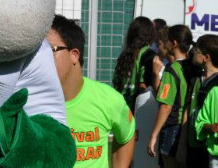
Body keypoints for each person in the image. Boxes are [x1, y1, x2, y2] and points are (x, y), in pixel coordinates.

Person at [48, 15, 135, 168]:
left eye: (49, 50)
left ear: (74, 55)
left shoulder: (108, 99)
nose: (40, 59)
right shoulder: (27, 102)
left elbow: (127, 134)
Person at [148, 25, 195, 167]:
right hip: (187, 125)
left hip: (172, 126)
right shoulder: (192, 66)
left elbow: (166, 105)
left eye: (166, 41)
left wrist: (154, 134)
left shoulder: (171, 70)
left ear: (174, 44)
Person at [182, 34, 218, 168]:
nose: (192, 52)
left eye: (196, 50)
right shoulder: (195, 78)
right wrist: (182, 143)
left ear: (206, 57)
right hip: (192, 144)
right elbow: (188, 110)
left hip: (210, 145)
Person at [113, 16, 158, 112]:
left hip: (122, 105)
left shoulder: (124, 54)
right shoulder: (149, 55)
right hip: (138, 108)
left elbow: (116, 83)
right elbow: (145, 86)